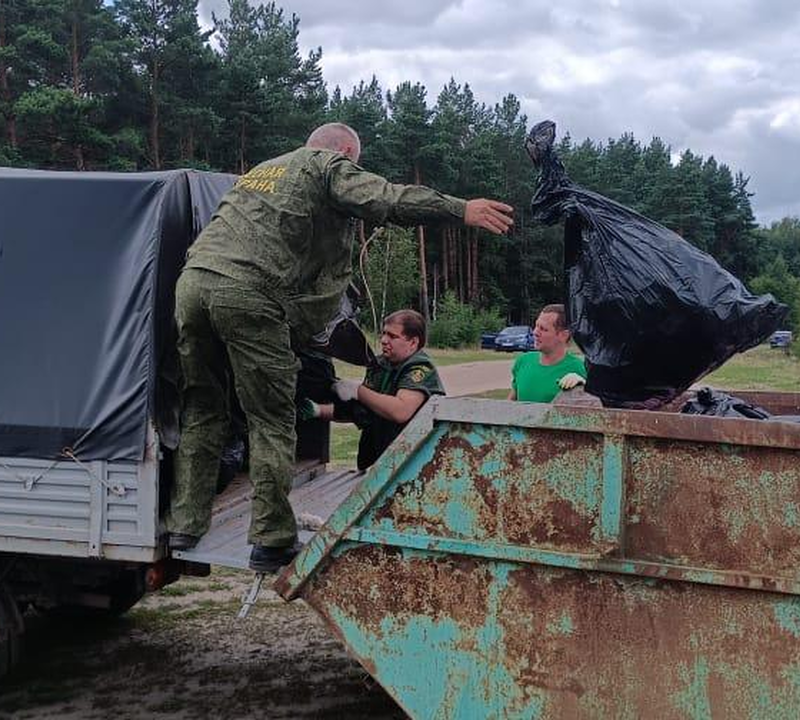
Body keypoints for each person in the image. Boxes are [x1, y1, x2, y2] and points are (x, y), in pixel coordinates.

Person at [166, 122, 513, 573]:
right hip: (248, 293)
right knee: (271, 420)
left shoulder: (262, 172)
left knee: (203, 410)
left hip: (191, 286)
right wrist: (459, 209)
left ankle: (184, 526)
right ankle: (271, 539)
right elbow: (387, 199)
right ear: (347, 152)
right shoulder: (328, 166)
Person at [301, 310, 443, 471]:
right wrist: (318, 410)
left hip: (409, 467)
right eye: (383, 334)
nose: (383, 340)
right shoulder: (380, 366)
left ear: (413, 342)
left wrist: (358, 391)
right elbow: (363, 412)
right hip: (376, 465)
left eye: (392, 336)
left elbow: (400, 411)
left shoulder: (419, 368)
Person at [508, 304, 587, 403]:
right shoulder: (523, 361)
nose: (535, 332)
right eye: (536, 326)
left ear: (564, 335)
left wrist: (584, 386)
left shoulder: (578, 368)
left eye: (543, 329)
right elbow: (510, 405)